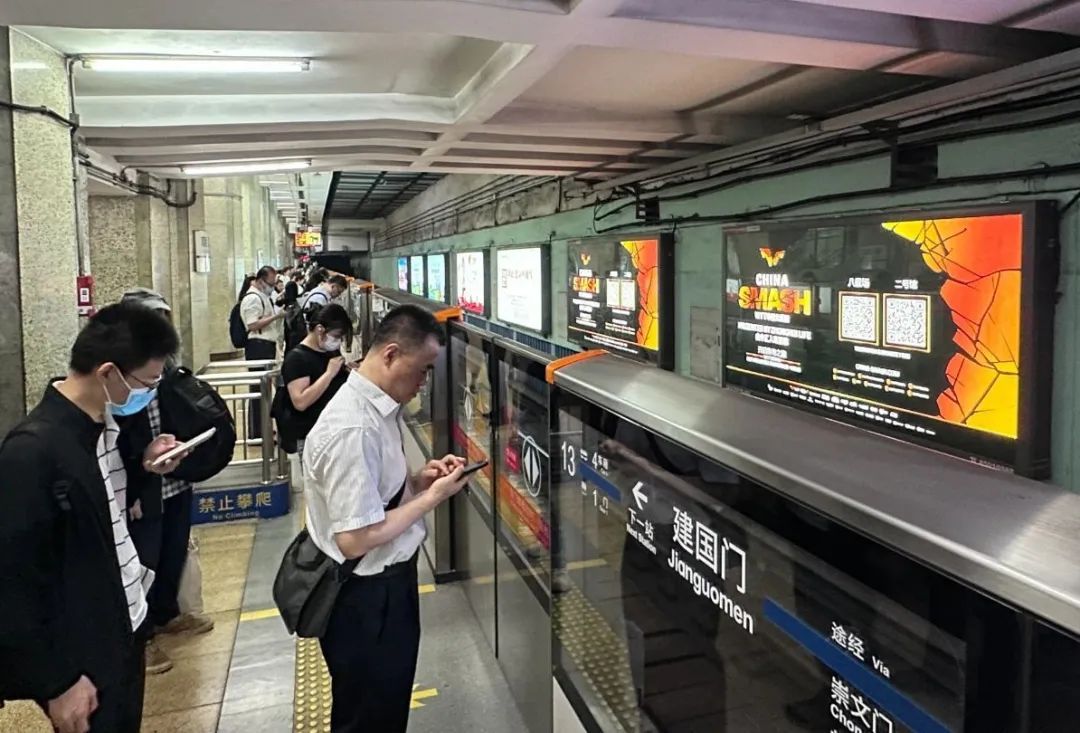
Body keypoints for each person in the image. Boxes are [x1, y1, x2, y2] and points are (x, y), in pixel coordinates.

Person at [0, 303, 185, 733]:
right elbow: (13, 581)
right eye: (147, 383)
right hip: (84, 648)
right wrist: (57, 681)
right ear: (108, 373)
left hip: (125, 618)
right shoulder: (32, 453)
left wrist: (144, 465)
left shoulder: (104, 426)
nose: (149, 393)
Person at [303, 305, 469, 732]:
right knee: (369, 716)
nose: (424, 382)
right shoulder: (353, 428)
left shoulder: (376, 409)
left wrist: (418, 481)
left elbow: (373, 496)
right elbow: (355, 539)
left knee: (385, 708)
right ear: (391, 354)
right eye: (423, 369)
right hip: (365, 600)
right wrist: (432, 498)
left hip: (383, 588)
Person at [118, 289, 215, 677]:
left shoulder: (169, 368)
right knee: (144, 558)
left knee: (173, 550)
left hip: (175, 478)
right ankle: (140, 640)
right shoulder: (119, 379)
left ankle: (166, 614)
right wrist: (133, 486)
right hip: (142, 486)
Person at [281, 304, 351, 458]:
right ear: (320, 330)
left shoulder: (329, 352)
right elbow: (300, 402)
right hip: (312, 437)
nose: (338, 341)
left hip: (334, 432)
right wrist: (329, 374)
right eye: (336, 336)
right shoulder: (297, 359)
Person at [240, 266, 284, 439]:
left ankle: (262, 429)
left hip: (265, 345)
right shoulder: (252, 298)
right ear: (260, 281)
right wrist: (276, 316)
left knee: (263, 390)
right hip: (258, 347)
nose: (272, 287)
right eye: (270, 283)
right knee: (258, 389)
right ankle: (257, 432)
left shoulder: (261, 296)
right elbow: (252, 325)